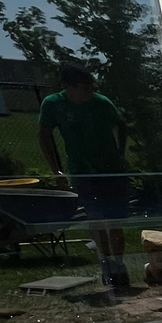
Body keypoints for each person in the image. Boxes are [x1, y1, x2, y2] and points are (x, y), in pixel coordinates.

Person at [38, 60, 133, 291]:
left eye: (91, 87)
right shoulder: (54, 105)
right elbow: (44, 135)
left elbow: (121, 125)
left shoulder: (101, 103)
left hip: (110, 170)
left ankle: (119, 263)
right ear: (71, 87)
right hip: (82, 170)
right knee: (95, 218)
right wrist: (56, 170)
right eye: (85, 88)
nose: (90, 92)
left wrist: (120, 154)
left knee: (114, 219)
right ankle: (106, 262)